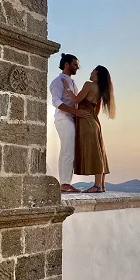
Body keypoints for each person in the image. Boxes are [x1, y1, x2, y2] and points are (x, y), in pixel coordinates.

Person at [62, 65, 115, 193]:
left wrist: (67, 88)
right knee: (100, 152)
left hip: (87, 121)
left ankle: (96, 186)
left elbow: (76, 99)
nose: (90, 72)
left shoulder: (89, 85)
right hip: (94, 121)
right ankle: (101, 185)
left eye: (92, 70)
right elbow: (95, 109)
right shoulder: (100, 89)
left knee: (95, 153)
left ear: (96, 72)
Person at [49, 53, 90, 193]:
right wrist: (75, 112)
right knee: (68, 150)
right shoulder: (57, 81)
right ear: (66, 64)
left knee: (67, 150)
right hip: (63, 118)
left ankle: (65, 183)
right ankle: (65, 184)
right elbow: (56, 102)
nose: (77, 67)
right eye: (75, 64)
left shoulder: (71, 82)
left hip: (70, 118)